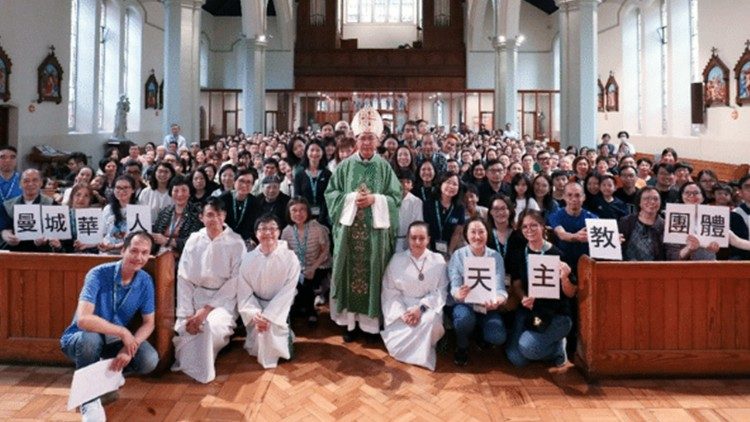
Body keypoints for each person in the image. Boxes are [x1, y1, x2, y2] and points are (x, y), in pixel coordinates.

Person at [60, 232, 159, 420]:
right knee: (91, 338)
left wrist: (128, 349)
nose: (139, 257)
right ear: (122, 250)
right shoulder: (97, 274)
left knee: (149, 360)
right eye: (134, 251)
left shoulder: (145, 280)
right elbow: (83, 320)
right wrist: (123, 332)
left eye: (145, 253)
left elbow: (149, 323)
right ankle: (88, 400)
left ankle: (108, 374)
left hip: (113, 340)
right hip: (80, 338)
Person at [324, 106, 402, 342]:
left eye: (371, 138)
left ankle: (369, 327)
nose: (367, 142)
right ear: (355, 140)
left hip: (374, 237)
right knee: (347, 272)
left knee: (373, 275)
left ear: (378, 141)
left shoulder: (384, 167)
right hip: (349, 234)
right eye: (362, 138)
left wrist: (375, 200)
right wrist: (350, 199)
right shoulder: (345, 166)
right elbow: (331, 194)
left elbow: (395, 198)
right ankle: (349, 325)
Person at [172, 198, 245, 383]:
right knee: (184, 328)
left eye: (219, 214)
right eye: (210, 215)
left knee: (210, 326)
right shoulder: (194, 240)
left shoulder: (236, 242)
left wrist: (205, 311)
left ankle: (205, 368)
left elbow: (235, 281)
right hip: (195, 297)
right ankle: (192, 363)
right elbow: (184, 277)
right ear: (201, 217)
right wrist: (188, 313)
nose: (215, 219)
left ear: (225, 216)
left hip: (223, 302)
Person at [505, 210, 576, 369]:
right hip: (530, 312)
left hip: (555, 315)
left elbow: (571, 292)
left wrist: (565, 278)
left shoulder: (557, 254)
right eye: (524, 227)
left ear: (543, 226)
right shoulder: (519, 253)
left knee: (528, 348)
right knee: (516, 358)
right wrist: (523, 297)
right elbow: (516, 283)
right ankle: (546, 346)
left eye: (533, 225)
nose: (528, 230)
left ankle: (557, 349)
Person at [381, 222, 449, 371]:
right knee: (397, 344)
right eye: (413, 238)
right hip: (402, 307)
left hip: (428, 307)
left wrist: (420, 309)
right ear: (407, 239)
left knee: (430, 320)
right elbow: (390, 292)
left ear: (428, 239)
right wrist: (402, 314)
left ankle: (425, 349)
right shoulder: (396, 260)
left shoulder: (438, 260)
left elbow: (441, 291)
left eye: (421, 238)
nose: (417, 242)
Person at [237, 215, 300, 368]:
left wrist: (268, 316)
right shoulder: (248, 259)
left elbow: (288, 292)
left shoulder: (290, 258)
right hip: (256, 306)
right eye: (263, 229)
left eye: (272, 228)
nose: (268, 233)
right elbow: (244, 291)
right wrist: (255, 314)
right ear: (256, 233)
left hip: (278, 308)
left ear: (279, 232)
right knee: (260, 336)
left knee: (271, 332)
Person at [448, 217, 508, 366]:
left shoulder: (495, 256)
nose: (477, 236)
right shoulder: (458, 255)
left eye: (481, 232)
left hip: (487, 307)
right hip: (465, 305)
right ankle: (462, 346)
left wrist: (498, 300)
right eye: (472, 232)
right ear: (466, 235)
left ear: (487, 233)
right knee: (464, 320)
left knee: (498, 336)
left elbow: (500, 289)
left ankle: (480, 335)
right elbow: (454, 287)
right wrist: (458, 293)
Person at [280, 198, 331, 326]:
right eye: (294, 210)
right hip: (297, 267)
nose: (298, 214)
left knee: (308, 282)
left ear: (308, 211)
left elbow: (325, 251)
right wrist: (296, 270)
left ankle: (311, 311)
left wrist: (313, 268)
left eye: (302, 209)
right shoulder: (286, 231)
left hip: (319, 265)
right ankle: (300, 307)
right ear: (289, 213)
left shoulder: (317, 228)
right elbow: (286, 255)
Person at [0, 169, 55, 252]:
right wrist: (7, 236)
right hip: (15, 249)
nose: (30, 184)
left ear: (41, 183)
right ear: (20, 184)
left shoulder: (52, 204)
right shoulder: (7, 205)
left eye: (35, 180)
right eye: (26, 181)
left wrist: (46, 238)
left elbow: (56, 231)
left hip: (42, 251)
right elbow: (4, 227)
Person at [151, 175, 203, 257]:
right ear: (171, 193)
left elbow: (194, 242)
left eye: (184, 190)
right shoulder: (164, 212)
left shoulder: (196, 213)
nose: (179, 194)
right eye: (176, 190)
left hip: (184, 258)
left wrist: (167, 241)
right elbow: (156, 234)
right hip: (160, 256)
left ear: (189, 193)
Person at [423, 172, 465, 258]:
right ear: (440, 184)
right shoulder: (428, 204)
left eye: (455, 184)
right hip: (429, 248)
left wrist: (449, 252)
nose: (451, 186)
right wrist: (428, 251)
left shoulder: (459, 207)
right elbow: (425, 229)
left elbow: (457, 232)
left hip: (451, 249)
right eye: (448, 182)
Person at [619, 187, 666, 261]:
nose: (652, 202)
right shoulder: (626, 221)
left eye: (656, 199)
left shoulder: (665, 225)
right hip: (627, 268)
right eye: (647, 198)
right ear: (639, 202)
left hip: (655, 269)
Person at [293, 140, 332, 226]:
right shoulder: (299, 174)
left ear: (322, 153)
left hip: (324, 218)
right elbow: (297, 196)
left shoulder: (327, 174)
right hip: (303, 218)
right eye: (312, 150)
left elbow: (328, 197)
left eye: (318, 150)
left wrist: (321, 218)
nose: (314, 153)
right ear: (306, 152)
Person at [100, 175, 139, 255]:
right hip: (107, 251)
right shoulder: (108, 208)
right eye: (118, 187)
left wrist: (115, 246)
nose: (121, 191)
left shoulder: (139, 209)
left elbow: (139, 237)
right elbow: (102, 233)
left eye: (125, 187)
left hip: (129, 253)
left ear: (133, 190)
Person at [395, 169, 424, 252]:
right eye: (400, 181)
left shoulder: (416, 201)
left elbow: (418, 223)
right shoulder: (391, 199)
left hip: (407, 239)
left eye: (408, 182)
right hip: (391, 239)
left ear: (412, 186)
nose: (404, 185)